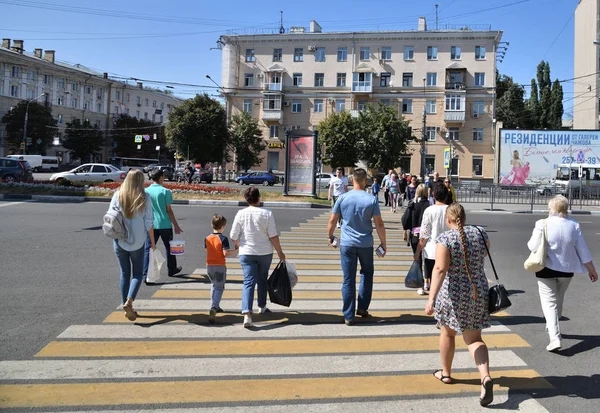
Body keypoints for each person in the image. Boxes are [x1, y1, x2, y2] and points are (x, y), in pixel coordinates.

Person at [425, 203, 494, 407]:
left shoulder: (445, 238)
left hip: (453, 294)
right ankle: (485, 377)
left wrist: (431, 299)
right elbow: (483, 255)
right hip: (477, 291)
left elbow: (439, 269)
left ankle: (446, 374)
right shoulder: (480, 233)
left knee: (447, 333)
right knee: (474, 339)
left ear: (448, 220)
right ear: (464, 217)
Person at [526, 195, 598, 352]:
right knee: (558, 300)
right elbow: (583, 251)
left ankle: (555, 337)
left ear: (551, 208)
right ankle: (553, 326)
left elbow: (532, 246)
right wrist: (592, 270)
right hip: (567, 270)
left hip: (545, 269)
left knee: (549, 303)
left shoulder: (542, 223)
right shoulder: (574, 225)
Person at [327, 168, 387, 326]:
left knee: (348, 279)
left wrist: (330, 236)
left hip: (347, 244)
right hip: (366, 244)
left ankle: (348, 315)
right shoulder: (371, 199)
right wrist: (383, 243)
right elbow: (379, 224)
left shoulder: (343, 198)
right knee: (367, 274)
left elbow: (332, 221)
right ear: (365, 181)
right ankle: (362, 308)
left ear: (352, 180)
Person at [230, 187, 286, 329]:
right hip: (265, 253)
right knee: (262, 279)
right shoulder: (267, 213)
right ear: (259, 198)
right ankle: (262, 306)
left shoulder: (240, 214)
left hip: (246, 252)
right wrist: (280, 252)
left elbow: (233, 235)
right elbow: (273, 235)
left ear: (246, 199)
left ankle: (247, 314)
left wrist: (238, 245)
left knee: (248, 281)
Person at [109, 169, 156, 321]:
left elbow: (110, 216)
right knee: (137, 274)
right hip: (138, 241)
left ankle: (125, 305)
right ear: (140, 181)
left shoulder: (118, 195)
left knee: (124, 274)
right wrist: (153, 243)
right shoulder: (145, 197)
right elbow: (149, 222)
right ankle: (129, 301)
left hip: (119, 240)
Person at [143, 168, 183, 284]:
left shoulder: (146, 191)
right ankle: (172, 269)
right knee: (169, 248)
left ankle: (146, 274)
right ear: (160, 178)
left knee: (149, 248)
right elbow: (169, 210)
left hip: (151, 225)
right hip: (165, 224)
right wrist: (176, 225)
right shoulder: (165, 191)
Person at [414, 183, 449, 295]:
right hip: (448, 251)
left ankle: (434, 303)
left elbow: (424, 234)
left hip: (431, 251)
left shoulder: (429, 210)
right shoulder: (451, 210)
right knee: (445, 281)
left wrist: (418, 251)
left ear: (433, 195)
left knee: (434, 280)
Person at [204, 214, 239, 324]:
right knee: (219, 287)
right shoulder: (223, 239)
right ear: (223, 226)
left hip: (209, 266)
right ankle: (214, 308)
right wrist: (236, 250)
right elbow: (225, 254)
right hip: (219, 266)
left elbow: (208, 251)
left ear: (212, 225)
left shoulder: (207, 238)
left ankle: (215, 305)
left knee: (213, 285)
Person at [405, 184, 430, 270]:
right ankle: (428, 279)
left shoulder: (412, 203)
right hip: (427, 235)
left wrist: (406, 230)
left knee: (417, 257)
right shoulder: (429, 204)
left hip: (415, 234)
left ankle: (419, 279)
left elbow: (405, 219)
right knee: (428, 257)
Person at [404, 175, 419, 244]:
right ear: (411, 180)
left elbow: (418, 195)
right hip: (410, 205)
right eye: (413, 180)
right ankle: (406, 234)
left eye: (415, 180)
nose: (414, 181)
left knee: (414, 221)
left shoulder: (417, 187)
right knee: (407, 219)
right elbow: (407, 197)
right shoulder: (408, 187)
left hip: (416, 205)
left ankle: (412, 235)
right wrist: (410, 201)